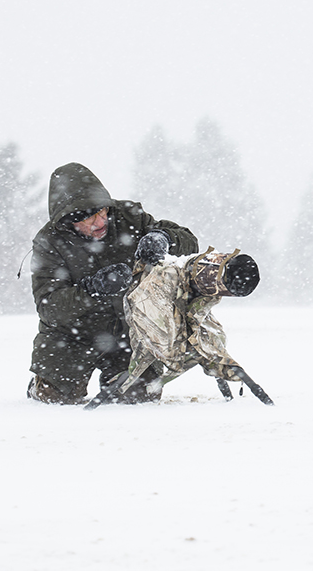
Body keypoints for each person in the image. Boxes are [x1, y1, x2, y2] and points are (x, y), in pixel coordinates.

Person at [27, 162, 198, 405]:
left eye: (102, 212)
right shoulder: (49, 243)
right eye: (88, 218)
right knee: (56, 396)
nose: (99, 222)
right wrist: (92, 289)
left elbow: (189, 242)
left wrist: (163, 238)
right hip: (72, 337)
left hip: (129, 334)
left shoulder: (129, 217)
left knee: (138, 397)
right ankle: (42, 384)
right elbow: (49, 308)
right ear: (68, 220)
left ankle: (116, 377)